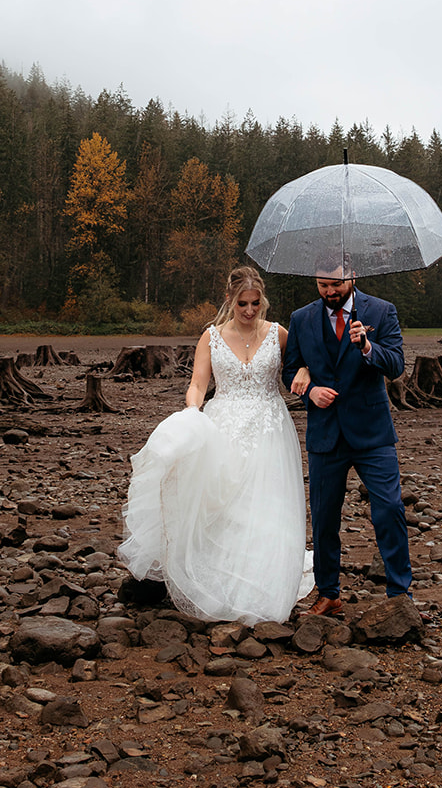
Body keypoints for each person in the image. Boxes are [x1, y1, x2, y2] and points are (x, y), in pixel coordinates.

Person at [119, 266, 314, 623]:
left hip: (269, 426)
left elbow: (302, 365)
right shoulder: (210, 337)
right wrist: (193, 410)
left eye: (256, 303)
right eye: (243, 303)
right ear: (230, 300)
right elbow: (198, 383)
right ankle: (219, 582)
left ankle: (263, 584)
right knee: (225, 504)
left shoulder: (279, 334)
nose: (250, 311)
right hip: (223, 423)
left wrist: (306, 372)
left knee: (265, 503)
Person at [282, 259, 413, 616]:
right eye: (323, 286)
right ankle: (329, 594)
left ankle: (400, 594)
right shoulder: (301, 319)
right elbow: (290, 369)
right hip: (325, 433)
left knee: (389, 509)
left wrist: (368, 347)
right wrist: (309, 392)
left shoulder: (382, 312)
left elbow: (397, 364)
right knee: (324, 517)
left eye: (336, 285)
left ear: (352, 277)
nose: (330, 292)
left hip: (372, 431)